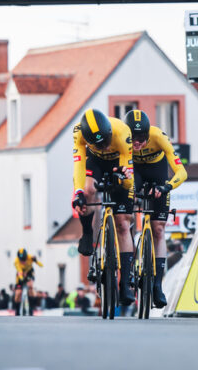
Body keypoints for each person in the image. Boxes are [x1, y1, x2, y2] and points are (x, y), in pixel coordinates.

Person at [71, 108, 136, 305]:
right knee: (88, 190)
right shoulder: (79, 133)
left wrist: (122, 181)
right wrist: (78, 193)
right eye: (98, 144)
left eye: (105, 142)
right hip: (96, 162)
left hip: (119, 163)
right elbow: (79, 166)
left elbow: (129, 179)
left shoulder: (123, 132)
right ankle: (87, 233)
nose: (104, 146)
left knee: (123, 224)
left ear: (110, 133)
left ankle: (125, 282)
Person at [123, 109, 187, 308]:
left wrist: (166, 187)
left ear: (149, 134)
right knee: (124, 217)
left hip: (157, 173)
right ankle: (130, 263)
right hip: (136, 172)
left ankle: (157, 285)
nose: (138, 143)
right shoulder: (123, 140)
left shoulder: (158, 137)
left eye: (142, 138)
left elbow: (181, 171)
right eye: (134, 138)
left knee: (159, 228)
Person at [13, 248, 43, 315]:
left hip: (29, 272)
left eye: (24, 259)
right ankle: (17, 310)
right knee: (18, 293)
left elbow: (41, 265)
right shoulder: (16, 261)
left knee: (30, 286)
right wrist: (21, 278)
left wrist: (36, 261)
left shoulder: (30, 257)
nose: (23, 261)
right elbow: (19, 271)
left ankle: (31, 307)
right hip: (21, 273)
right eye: (21, 260)